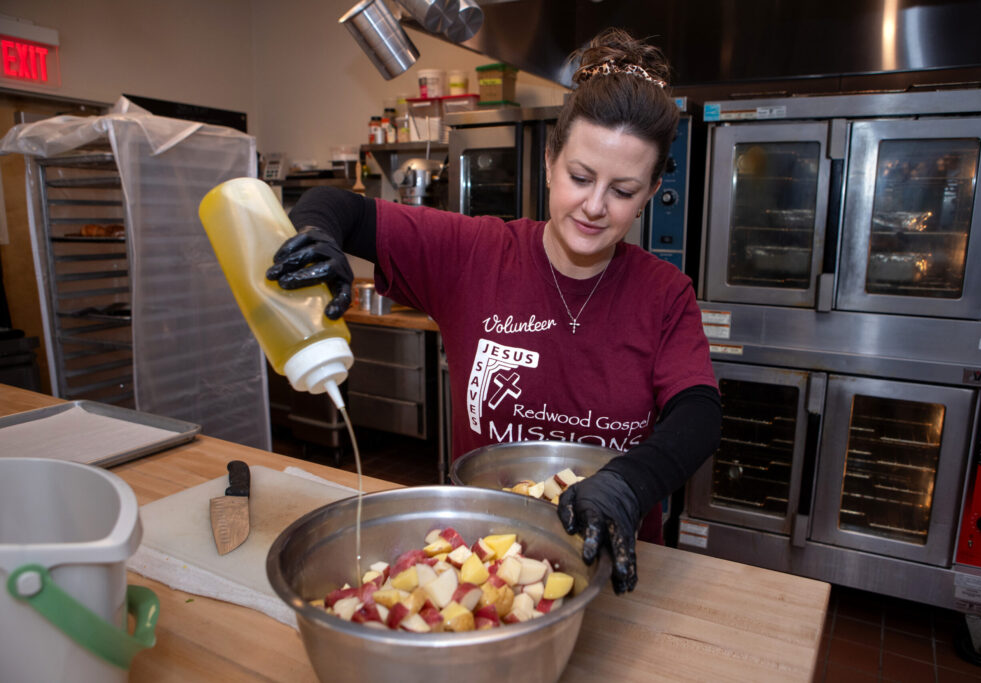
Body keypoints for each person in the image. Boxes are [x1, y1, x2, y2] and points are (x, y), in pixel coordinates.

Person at [266, 28, 721, 594]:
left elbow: (699, 414)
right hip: (482, 572)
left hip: (610, 569)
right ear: (551, 162)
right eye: (580, 177)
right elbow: (337, 206)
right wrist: (316, 232)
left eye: (623, 190)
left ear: (650, 192)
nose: (595, 206)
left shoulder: (664, 293)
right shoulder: (474, 253)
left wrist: (629, 484)